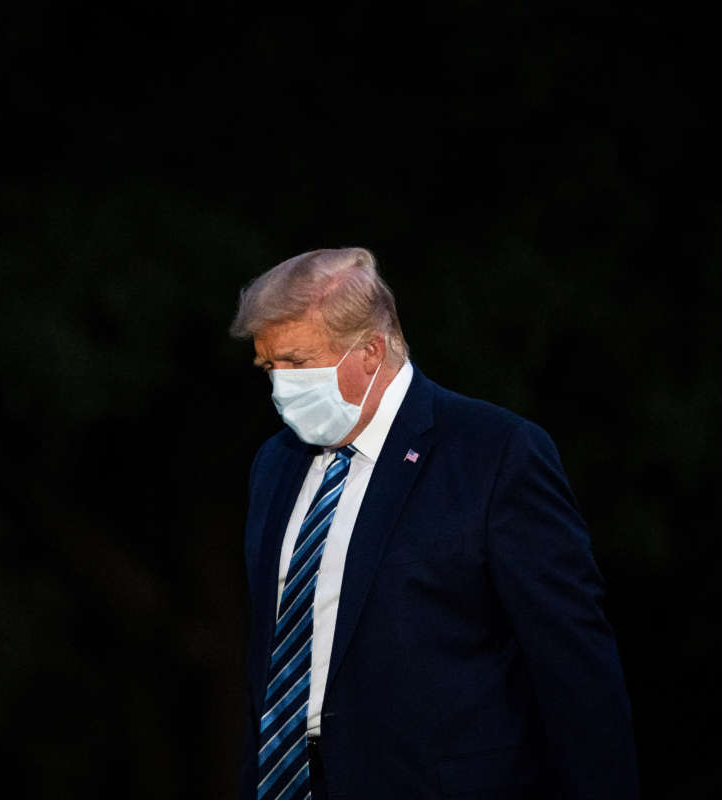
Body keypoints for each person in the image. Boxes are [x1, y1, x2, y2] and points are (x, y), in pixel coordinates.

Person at [230, 248, 638, 799]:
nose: (280, 387)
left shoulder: (495, 454)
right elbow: (273, 659)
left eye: (298, 363)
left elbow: (575, 666)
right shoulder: (275, 464)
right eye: (267, 366)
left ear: (371, 350)